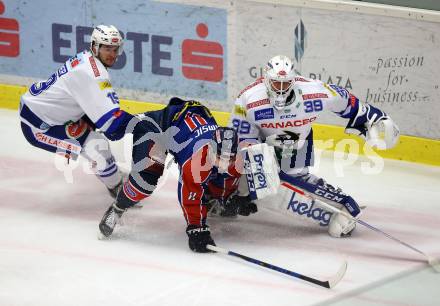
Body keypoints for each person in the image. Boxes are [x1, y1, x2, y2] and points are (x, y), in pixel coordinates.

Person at [228, 54, 400, 238]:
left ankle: (344, 206)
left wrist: (373, 115)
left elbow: (346, 101)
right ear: (265, 78)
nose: (280, 89)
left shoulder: (312, 90)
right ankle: (232, 194)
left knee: (292, 181)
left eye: (285, 83)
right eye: (276, 83)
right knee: (257, 182)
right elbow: (242, 140)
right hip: (264, 143)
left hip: (297, 143)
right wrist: (257, 169)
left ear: (293, 80)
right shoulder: (248, 98)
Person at [98, 97, 256, 252]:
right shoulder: (196, 161)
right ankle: (118, 207)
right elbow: (189, 194)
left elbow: (227, 177)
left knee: (215, 174)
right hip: (157, 129)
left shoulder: (236, 159)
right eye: (220, 158)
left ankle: (210, 198)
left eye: (229, 159)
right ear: (211, 149)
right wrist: (196, 228)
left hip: (188, 122)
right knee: (144, 183)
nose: (224, 164)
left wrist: (227, 198)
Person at [19, 25, 136, 197]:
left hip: (40, 109)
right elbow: (111, 124)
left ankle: (108, 173)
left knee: (92, 127)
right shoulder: (94, 74)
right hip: (38, 127)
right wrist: (141, 123)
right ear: (95, 47)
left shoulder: (87, 58)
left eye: (115, 49)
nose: (112, 54)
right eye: (107, 48)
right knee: (98, 146)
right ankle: (117, 189)